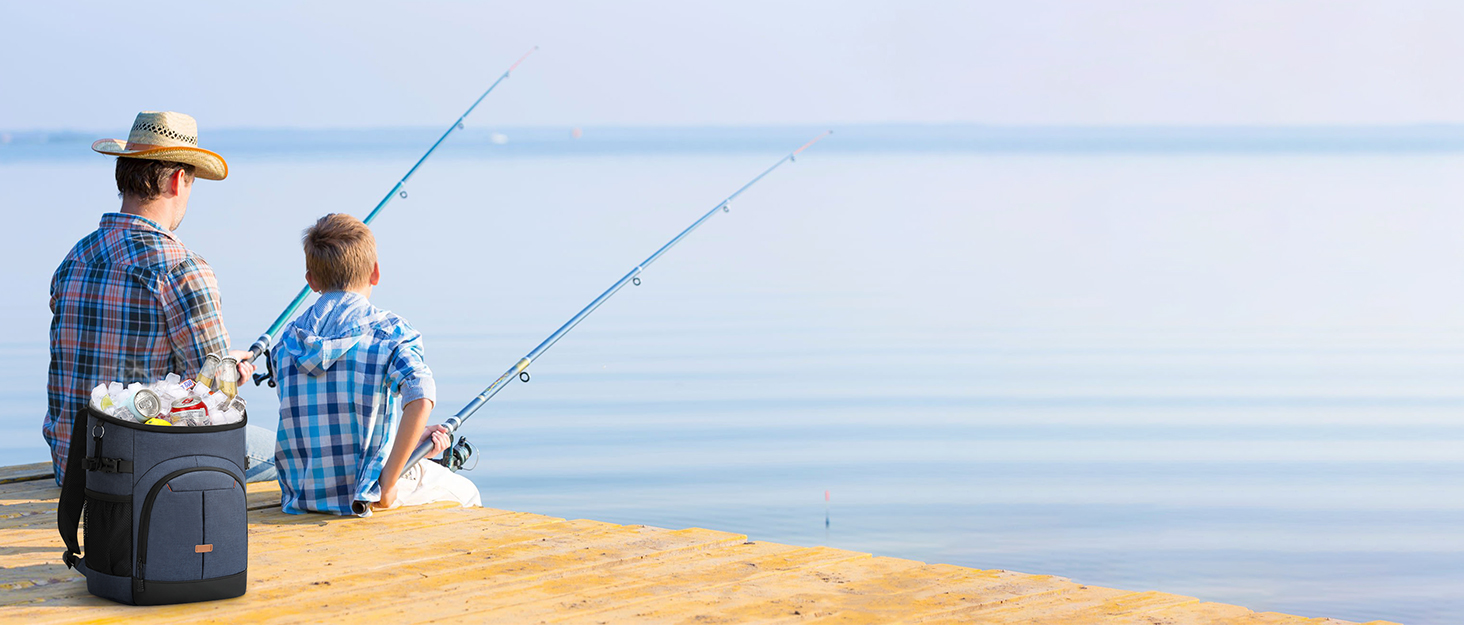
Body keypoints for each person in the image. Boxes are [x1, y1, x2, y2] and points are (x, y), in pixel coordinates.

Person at [46, 111, 276, 485]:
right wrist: (229, 370)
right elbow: (217, 397)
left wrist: (222, 365)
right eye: (191, 182)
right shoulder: (182, 269)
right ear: (176, 179)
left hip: (70, 466)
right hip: (145, 470)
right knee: (288, 454)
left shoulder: (75, 258)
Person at [271, 213, 480, 515]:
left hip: (302, 498)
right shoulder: (389, 332)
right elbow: (421, 398)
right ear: (375, 273)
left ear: (311, 280)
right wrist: (390, 483)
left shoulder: (287, 343)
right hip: (364, 494)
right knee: (467, 492)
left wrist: (408, 440)